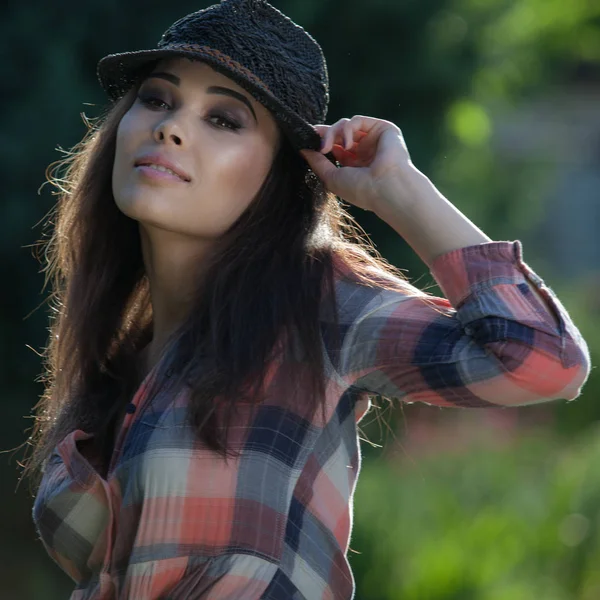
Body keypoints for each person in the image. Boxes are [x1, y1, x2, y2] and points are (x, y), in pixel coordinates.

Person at [23, 0, 590, 598]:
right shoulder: (116, 360)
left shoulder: (317, 307)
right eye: (158, 99)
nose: (170, 126)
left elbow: (544, 359)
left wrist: (399, 192)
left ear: (276, 177)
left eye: (224, 119)